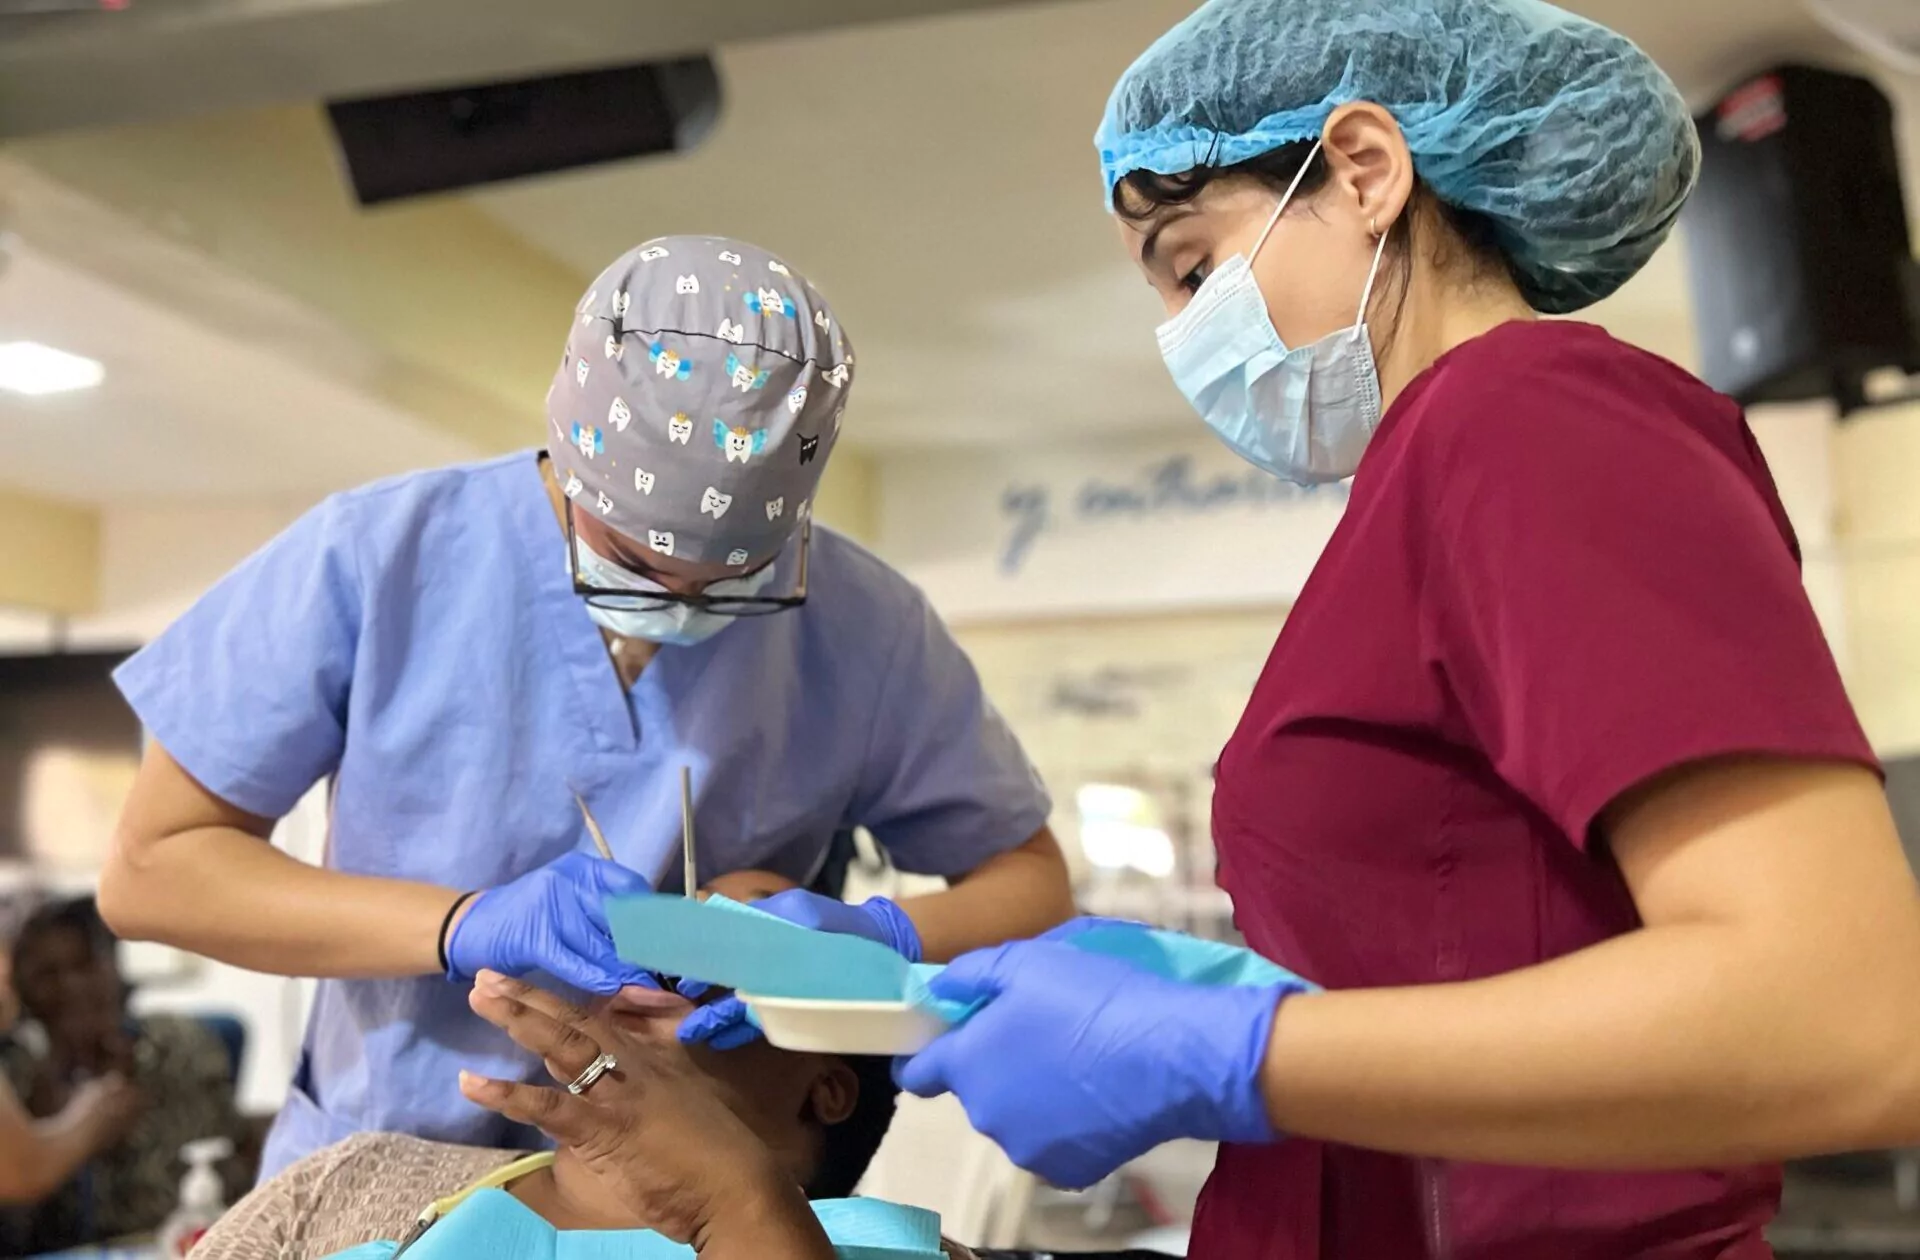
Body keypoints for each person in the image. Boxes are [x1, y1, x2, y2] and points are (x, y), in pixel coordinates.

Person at [871, 2, 1920, 1256]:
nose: (1185, 336)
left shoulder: (1532, 417)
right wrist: (1174, 990)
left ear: (1365, 169)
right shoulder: (1422, 478)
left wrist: (1239, 1050)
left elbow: (1845, 1016)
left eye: (1194, 268)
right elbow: (1464, 921)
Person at [99, 235, 1072, 1178]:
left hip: (696, 1189)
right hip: (386, 1162)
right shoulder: (376, 557)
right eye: (636, 559)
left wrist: (871, 939)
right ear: (571, 461)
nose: (680, 602)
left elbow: (1030, 885)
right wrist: (461, 923)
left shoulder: (868, 626)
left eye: (731, 575)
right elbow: (153, 872)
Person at [195, 874, 975, 1259]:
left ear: (827, 1087)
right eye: (670, 932)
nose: (674, 958)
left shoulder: (891, 1250)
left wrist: (735, 1206)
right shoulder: (359, 1179)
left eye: (738, 943)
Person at [1, 897, 247, 1251]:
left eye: (84, 964)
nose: (72, 985)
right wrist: (55, 1121)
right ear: (21, 991)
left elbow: (224, 1167)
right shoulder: (18, 1075)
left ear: (113, 965)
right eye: (47, 974)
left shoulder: (178, 1044)